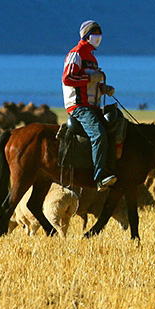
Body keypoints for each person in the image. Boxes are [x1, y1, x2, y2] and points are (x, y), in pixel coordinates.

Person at [62, 20, 117, 189]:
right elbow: (68, 78)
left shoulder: (92, 58)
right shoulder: (76, 54)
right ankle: (99, 177)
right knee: (99, 134)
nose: (98, 36)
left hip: (92, 106)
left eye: (99, 33)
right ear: (86, 35)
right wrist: (90, 78)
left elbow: (90, 85)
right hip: (79, 107)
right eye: (95, 32)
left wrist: (103, 88)